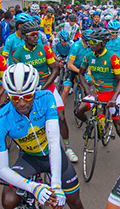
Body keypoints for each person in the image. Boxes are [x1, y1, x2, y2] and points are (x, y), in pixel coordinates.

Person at [0, 63, 111, 209]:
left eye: (27, 96)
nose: (21, 103)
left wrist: (55, 186)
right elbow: (2, 169)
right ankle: (25, 202)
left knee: (75, 202)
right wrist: (34, 188)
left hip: (51, 153)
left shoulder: (46, 99)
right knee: (7, 200)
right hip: (28, 159)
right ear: (8, 96)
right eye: (15, 98)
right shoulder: (1, 119)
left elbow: (55, 142)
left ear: (34, 91)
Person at [12, 20, 79, 162]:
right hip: (29, 92)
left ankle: (67, 148)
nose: (36, 36)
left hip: (47, 87)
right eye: (32, 34)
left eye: (37, 34)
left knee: (61, 116)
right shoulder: (18, 54)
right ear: (24, 37)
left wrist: (42, 87)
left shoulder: (45, 48)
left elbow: (54, 69)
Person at [75, 28, 120, 146]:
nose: (90, 44)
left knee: (119, 129)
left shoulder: (113, 58)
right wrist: (88, 90)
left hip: (112, 95)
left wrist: (114, 98)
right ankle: (89, 124)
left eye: (94, 42)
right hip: (97, 93)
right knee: (78, 111)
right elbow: (80, 73)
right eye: (90, 41)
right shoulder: (88, 56)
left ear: (103, 42)